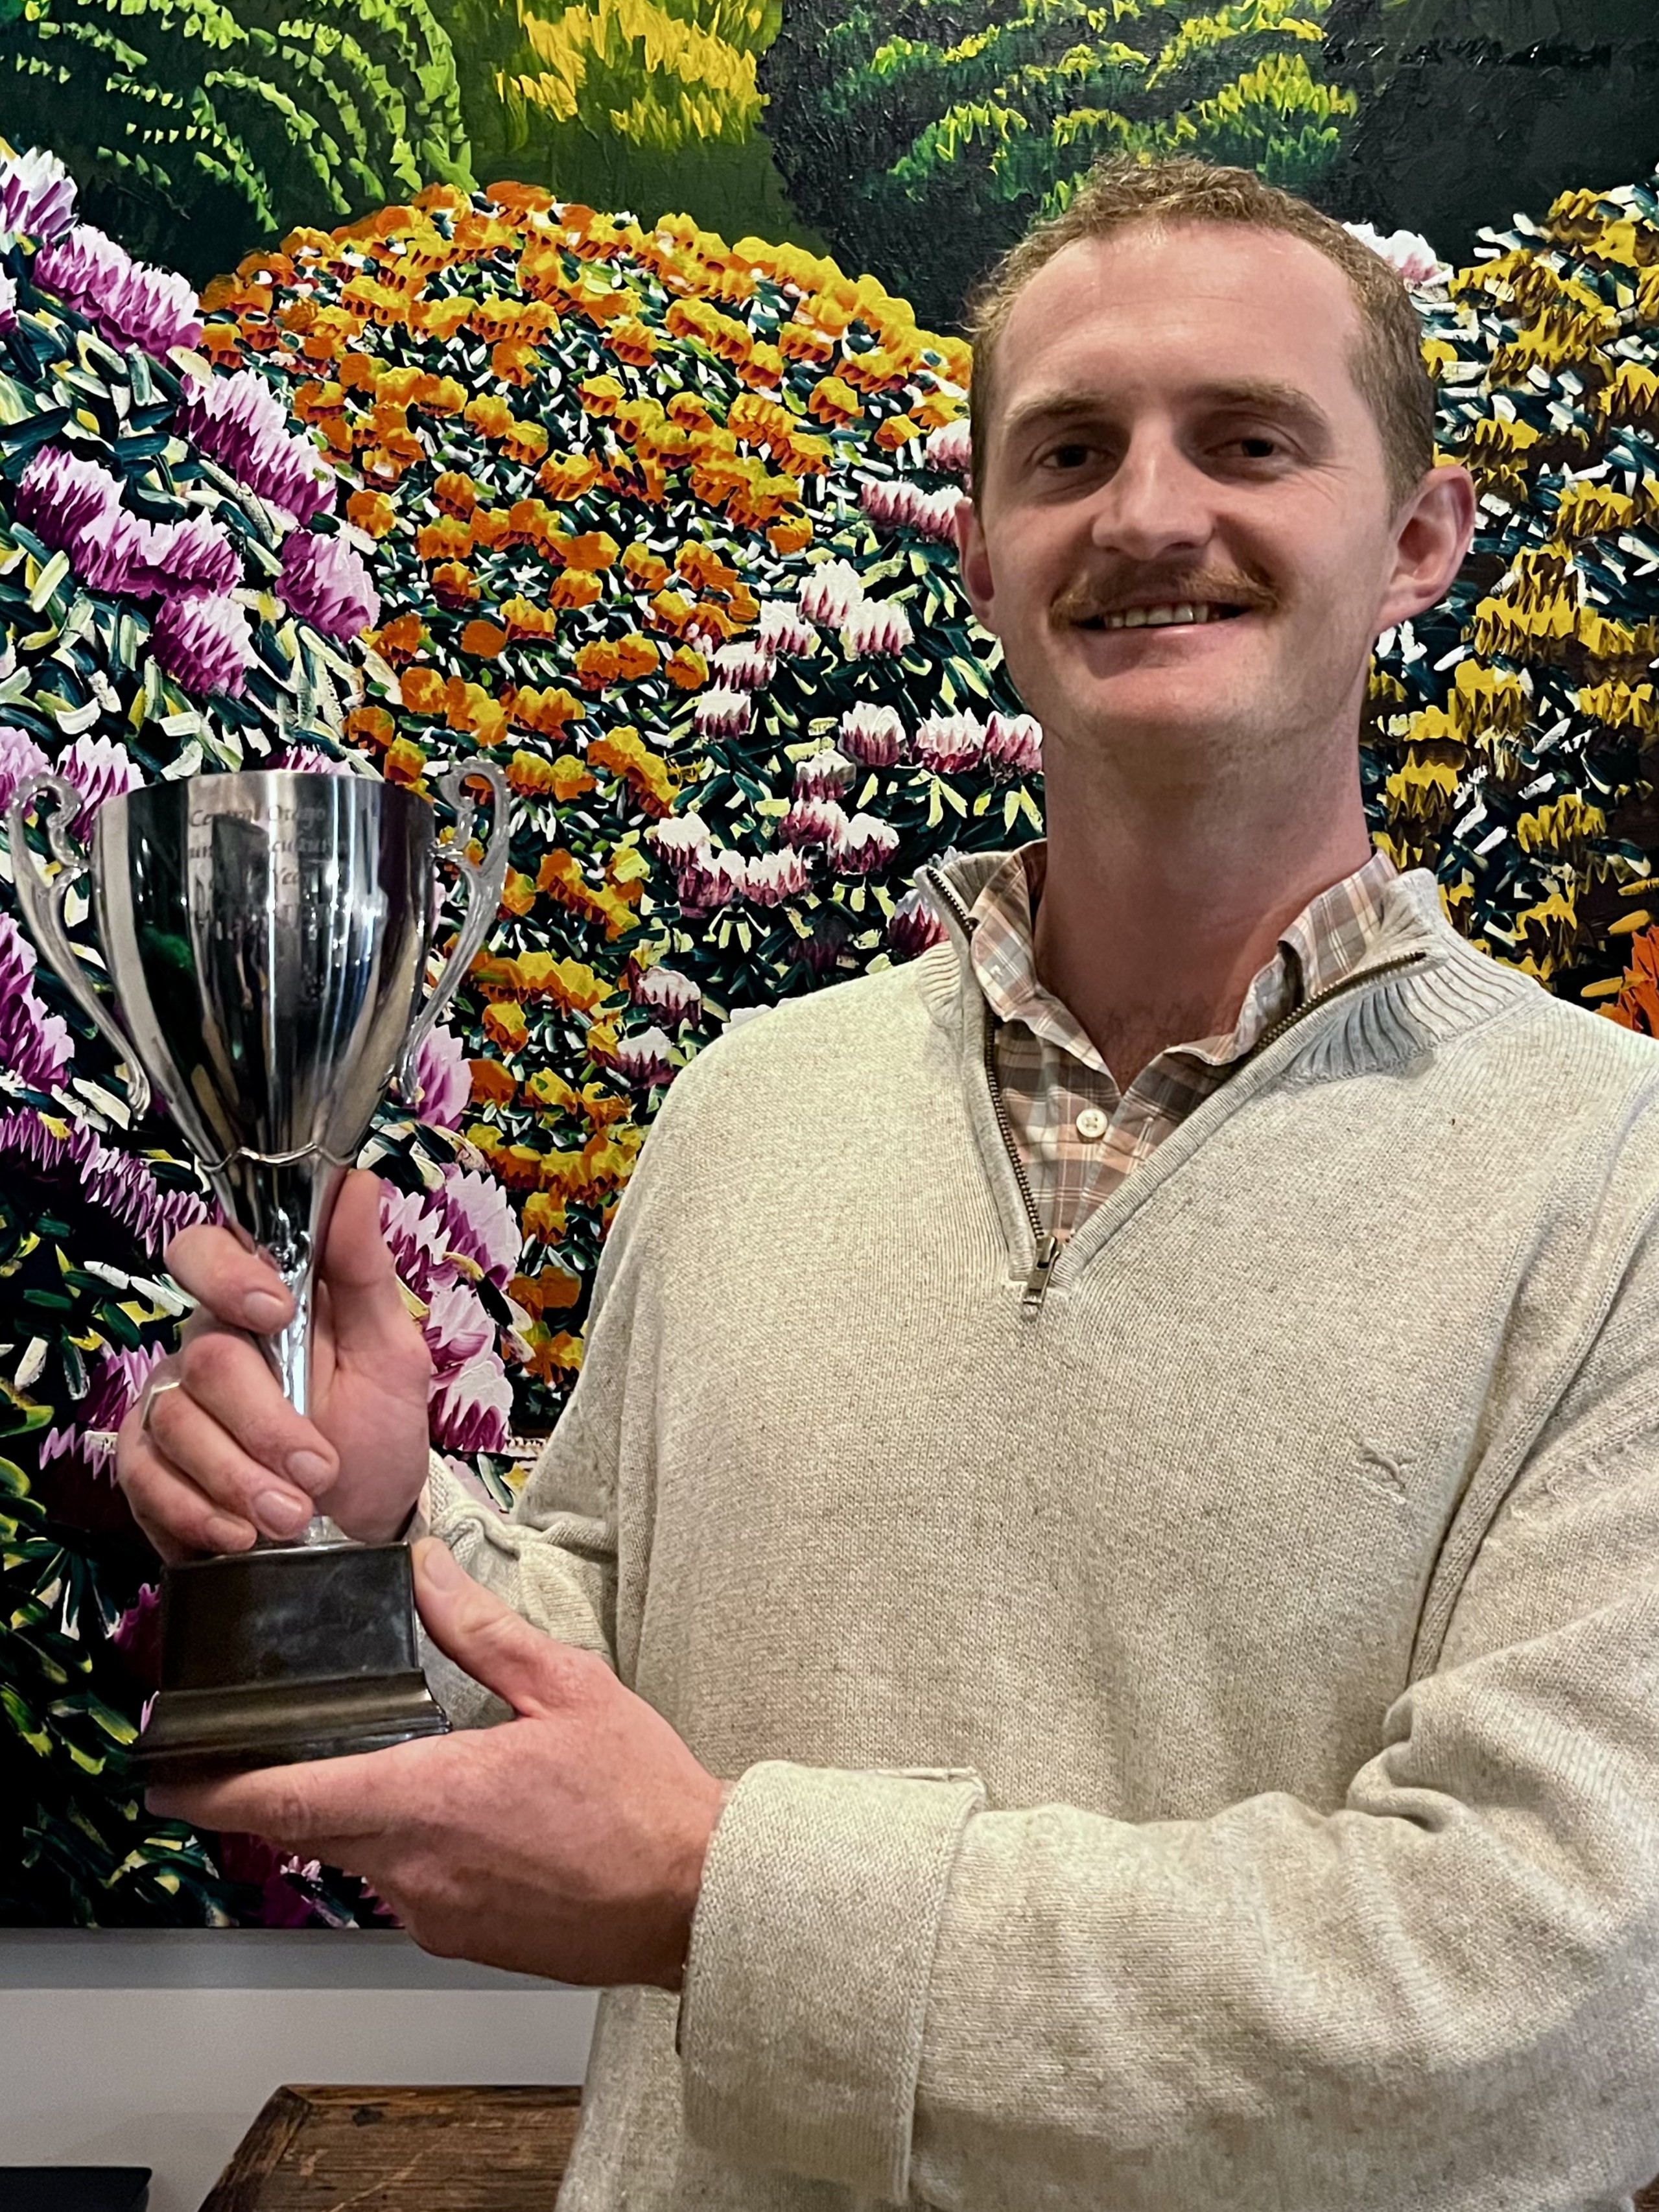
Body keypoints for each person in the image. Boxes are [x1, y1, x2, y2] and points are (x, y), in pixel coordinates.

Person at [118, 156, 1659, 2209]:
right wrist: (382, 1530)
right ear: (983, 551)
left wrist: (721, 1895)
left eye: (1249, 441)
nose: (1149, 512)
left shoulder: (1614, 1175)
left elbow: (1550, 1990)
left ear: (1420, 539)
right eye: (1071, 451)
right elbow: (601, 1683)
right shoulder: (753, 1106)